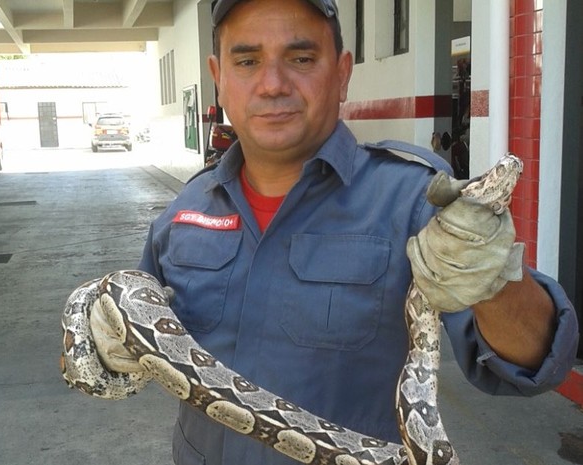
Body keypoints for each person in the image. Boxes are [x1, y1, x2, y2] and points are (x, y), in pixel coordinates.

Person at [92, 1, 579, 464]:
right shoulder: (185, 208)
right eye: (247, 61)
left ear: (342, 72)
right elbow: (132, 340)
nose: (273, 84)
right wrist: (105, 346)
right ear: (219, 79)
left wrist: (497, 281)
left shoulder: (415, 196)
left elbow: (537, 365)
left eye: (300, 57)